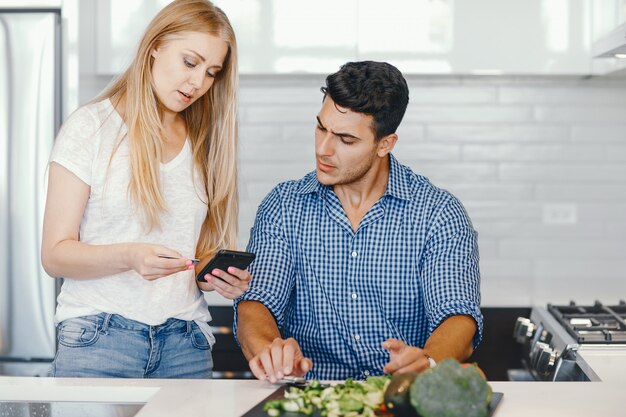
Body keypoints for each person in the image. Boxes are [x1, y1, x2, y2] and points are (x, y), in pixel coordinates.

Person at [41, 0, 251, 379]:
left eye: (211, 72)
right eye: (190, 62)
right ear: (155, 44)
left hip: (186, 343)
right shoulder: (92, 127)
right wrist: (130, 256)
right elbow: (55, 255)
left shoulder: (204, 141)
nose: (197, 83)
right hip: (100, 340)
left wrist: (215, 274)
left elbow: (195, 254)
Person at [234, 61, 482, 381]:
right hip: (311, 397)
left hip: (401, 397)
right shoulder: (284, 206)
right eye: (321, 128)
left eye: (346, 140)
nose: (323, 149)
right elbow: (256, 302)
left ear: (385, 144)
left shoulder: (438, 214)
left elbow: (458, 315)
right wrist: (270, 351)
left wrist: (429, 360)